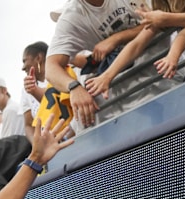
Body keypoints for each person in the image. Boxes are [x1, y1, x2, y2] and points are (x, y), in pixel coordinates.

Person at [46, 0, 145, 128]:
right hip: (129, 95)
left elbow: (163, 17)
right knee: (87, 114)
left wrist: (117, 38)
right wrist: (74, 87)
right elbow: (51, 67)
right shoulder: (72, 16)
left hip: (164, 70)